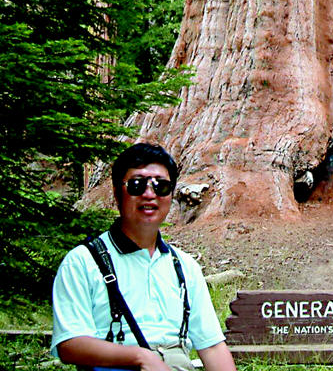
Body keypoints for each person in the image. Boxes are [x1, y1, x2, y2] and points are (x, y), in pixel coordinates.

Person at [51, 143, 237, 371]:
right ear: (118, 193)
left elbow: (212, 348)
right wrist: (140, 357)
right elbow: (70, 343)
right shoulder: (83, 261)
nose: (150, 194)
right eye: (137, 184)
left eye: (161, 186)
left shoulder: (184, 266)